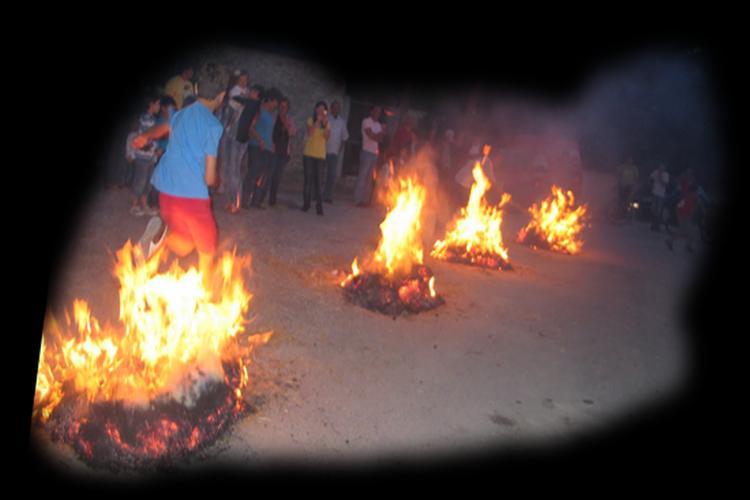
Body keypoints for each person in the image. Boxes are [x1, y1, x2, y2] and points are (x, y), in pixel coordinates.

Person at [131, 63, 228, 275]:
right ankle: (205, 294)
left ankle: (161, 235)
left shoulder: (181, 114)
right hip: (193, 198)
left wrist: (145, 136)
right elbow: (210, 178)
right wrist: (218, 180)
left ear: (194, 89)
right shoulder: (213, 125)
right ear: (222, 96)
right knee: (208, 247)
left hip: (166, 192)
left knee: (184, 246)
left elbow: (161, 128)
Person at [243, 87, 282, 209]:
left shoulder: (273, 115)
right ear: (271, 100)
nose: (277, 105)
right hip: (257, 146)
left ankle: (256, 201)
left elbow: (271, 132)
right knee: (253, 174)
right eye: (276, 102)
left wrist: (273, 144)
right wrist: (259, 139)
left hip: (268, 148)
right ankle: (244, 201)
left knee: (263, 177)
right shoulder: (259, 110)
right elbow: (250, 127)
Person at [221, 71, 252, 213]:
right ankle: (229, 201)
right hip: (229, 133)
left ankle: (235, 202)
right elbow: (232, 104)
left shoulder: (248, 95)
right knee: (228, 168)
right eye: (241, 79)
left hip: (237, 136)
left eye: (245, 80)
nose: (243, 82)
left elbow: (238, 105)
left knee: (234, 169)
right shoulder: (235, 92)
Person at [129, 93, 162, 217]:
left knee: (147, 182)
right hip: (143, 156)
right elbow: (144, 138)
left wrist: (156, 149)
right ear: (151, 104)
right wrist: (152, 148)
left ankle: (144, 205)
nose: (159, 106)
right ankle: (134, 205)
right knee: (140, 181)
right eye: (157, 103)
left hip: (150, 157)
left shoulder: (152, 119)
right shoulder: (145, 119)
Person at [302, 101, 330, 215]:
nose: (320, 111)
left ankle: (319, 206)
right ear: (315, 109)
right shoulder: (310, 120)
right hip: (308, 154)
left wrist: (324, 123)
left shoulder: (327, 123)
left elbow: (327, 137)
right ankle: (306, 204)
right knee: (308, 181)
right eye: (319, 109)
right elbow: (310, 133)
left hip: (320, 155)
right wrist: (317, 121)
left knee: (319, 182)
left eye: (323, 110)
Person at [354, 105, 385, 207]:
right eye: (376, 111)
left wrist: (378, 134)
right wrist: (379, 134)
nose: (378, 113)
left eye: (379, 112)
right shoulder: (366, 121)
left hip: (374, 153)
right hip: (366, 151)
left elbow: (380, 139)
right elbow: (370, 135)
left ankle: (365, 200)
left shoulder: (378, 125)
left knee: (369, 179)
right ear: (371, 111)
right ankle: (358, 200)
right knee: (362, 176)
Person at [268, 96, 296, 206]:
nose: (283, 108)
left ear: (288, 108)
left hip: (284, 152)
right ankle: (262, 197)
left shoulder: (290, 119)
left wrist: (286, 123)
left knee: (278, 176)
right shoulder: (274, 117)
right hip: (274, 150)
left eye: (285, 107)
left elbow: (292, 132)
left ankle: (272, 199)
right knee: (270, 174)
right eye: (281, 106)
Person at [322, 100, 349, 203]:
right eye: (335, 107)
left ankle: (328, 196)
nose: (337, 109)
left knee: (331, 176)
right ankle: (317, 194)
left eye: (338, 108)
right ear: (331, 108)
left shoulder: (341, 122)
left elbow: (344, 138)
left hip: (334, 153)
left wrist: (339, 149)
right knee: (320, 175)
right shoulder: (326, 119)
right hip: (323, 151)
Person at [666, 182, 700, 253]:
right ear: (693, 191)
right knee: (690, 232)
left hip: (686, 216)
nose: (697, 193)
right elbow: (678, 207)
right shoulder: (687, 198)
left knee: (684, 231)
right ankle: (687, 245)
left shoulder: (693, 198)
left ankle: (670, 240)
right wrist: (680, 217)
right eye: (696, 191)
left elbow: (692, 209)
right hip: (683, 216)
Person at [649, 163, 670, 232]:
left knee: (658, 211)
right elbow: (651, 178)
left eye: (662, 167)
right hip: (654, 193)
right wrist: (651, 185)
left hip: (661, 195)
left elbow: (666, 184)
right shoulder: (655, 172)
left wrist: (660, 177)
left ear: (664, 168)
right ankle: (652, 225)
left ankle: (657, 226)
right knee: (653, 210)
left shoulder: (666, 174)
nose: (661, 168)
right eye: (660, 167)